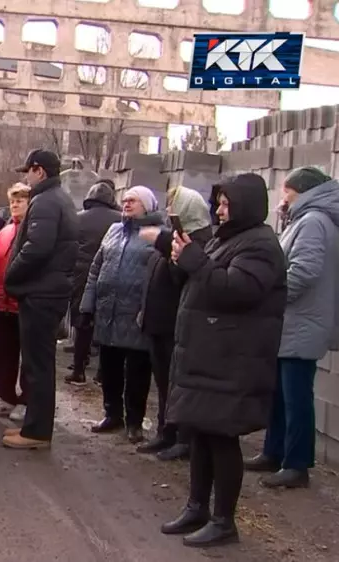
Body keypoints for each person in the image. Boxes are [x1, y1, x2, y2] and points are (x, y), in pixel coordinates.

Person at [160, 173, 286, 547]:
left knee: (222, 437)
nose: (219, 209)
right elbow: (204, 282)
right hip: (210, 354)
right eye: (219, 202)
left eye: (227, 203)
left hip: (234, 358)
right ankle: (196, 506)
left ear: (246, 205)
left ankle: (223, 520)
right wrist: (182, 258)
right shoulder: (227, 239)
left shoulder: (261, 245)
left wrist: (196, 261)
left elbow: (238, 290)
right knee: (200, 431)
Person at [246, 167, 339, 489]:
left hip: (302, 322)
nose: (281, 199)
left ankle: (296, 464)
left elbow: (304, 271)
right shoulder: (304, 219)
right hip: (292, 322)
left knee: (296, 396)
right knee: (280, 393)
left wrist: (274, 297)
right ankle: (274, 452)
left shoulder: (313, 221)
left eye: (285, 192)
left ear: (300, 191)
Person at [1, 149, 77, 449]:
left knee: (38, 365)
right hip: (49, 289)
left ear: (40, 171)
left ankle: (36, 432)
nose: (26, 177)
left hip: (41, 292)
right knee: (39, 364)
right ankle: (36, 427)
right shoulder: (58, 199)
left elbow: (37, 247)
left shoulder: (46, 201)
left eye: (28, 171)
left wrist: (11, 275)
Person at [78, 186, 162, 444]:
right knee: (110, 367)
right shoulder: (114, 230)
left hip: (136, 314)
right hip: (109, 311)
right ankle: (112, 414)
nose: (126, 204)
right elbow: (96, 268)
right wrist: (87, 305)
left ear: (146, 206)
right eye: (124, 200)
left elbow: (160, 277)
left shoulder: (157, 234)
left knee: (137, 371)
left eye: (133, 201)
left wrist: (149, 311)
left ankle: (134, 422)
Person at [137, 186, 213, 460]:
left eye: (173, 206)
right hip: (160, 321)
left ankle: (184, 438)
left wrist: (164, 241)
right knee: (164, 383)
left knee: (179, 384)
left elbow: (179, 275)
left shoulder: (199, 241)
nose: (169, 212)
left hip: (177, 324)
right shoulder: (179, 236)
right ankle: (166, 431)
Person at [65, 179, 120, 386]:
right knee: (105, 322)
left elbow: (69, 248)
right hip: (109, 274)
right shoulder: (120, 219)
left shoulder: (77, 219)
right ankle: (102, 373)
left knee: (82, 323)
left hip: (80, 275)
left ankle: (79, 369)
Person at [0, 183, 31, 421]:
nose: (15, 205)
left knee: (28, 356)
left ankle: (25, 401)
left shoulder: (33, 230)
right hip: (1, 302)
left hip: (23, 303)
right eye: (12, 201)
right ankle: (6, 397)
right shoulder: (3, 232)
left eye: (20, 200)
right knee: (3, 354)